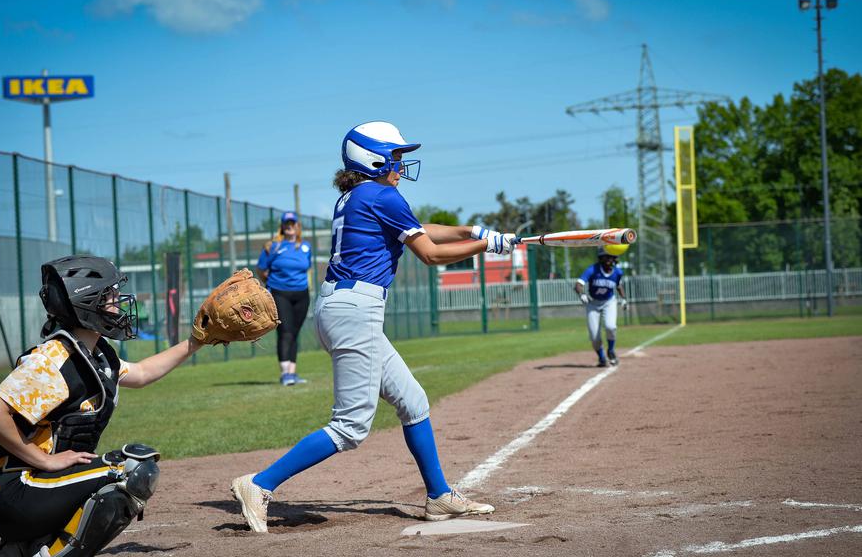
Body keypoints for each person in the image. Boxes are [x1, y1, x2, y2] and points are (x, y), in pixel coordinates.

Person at [230, 121, 517, 532]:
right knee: (350, 425)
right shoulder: (383, 194)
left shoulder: (360, 195)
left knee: (413, 401)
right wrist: (486, 246)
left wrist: (473, 230)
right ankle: (259, 484)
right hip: (355, 310)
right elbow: (431, 255)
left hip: (343, 305)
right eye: (395, 155)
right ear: (372, 158)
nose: (401, 163)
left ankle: (438, 496)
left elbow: (417, 230)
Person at [0, 255, 203, 557]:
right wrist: (43, 461)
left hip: (37, 489)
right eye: (110, 294)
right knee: (130, 471)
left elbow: (143, 373)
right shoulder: (53, 359)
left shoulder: (96, 356)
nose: (119, 301)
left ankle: (23, 549)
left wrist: (197, 341)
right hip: (14, 490)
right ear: (88, 302)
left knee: (109, 470)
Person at [257, 211, 312, 386]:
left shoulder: (305, 247)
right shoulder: (273, 246)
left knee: (294, 333)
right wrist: (270, 283)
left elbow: (307, 267)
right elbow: (261, 269)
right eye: (286, 223)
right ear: (282, 226)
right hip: (280, 293)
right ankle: (285, 373)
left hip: (302, 294)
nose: (290, 226)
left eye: (293, 223)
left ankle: (293, 373)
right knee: (286, 332)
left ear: (298, 226)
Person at [575, 246, 628, 367]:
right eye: (606, 257)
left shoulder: (618, 272)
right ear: (601, 258)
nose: (609, 260)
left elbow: (618, 286)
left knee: (611, 326)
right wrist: (582, 293)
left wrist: (624, 299)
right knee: (594, 336)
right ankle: (601, 358)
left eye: (611, 257)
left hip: (609, 302)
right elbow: (579, 284)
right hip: (593, 303)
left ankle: (611, 350)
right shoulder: (593, 270)